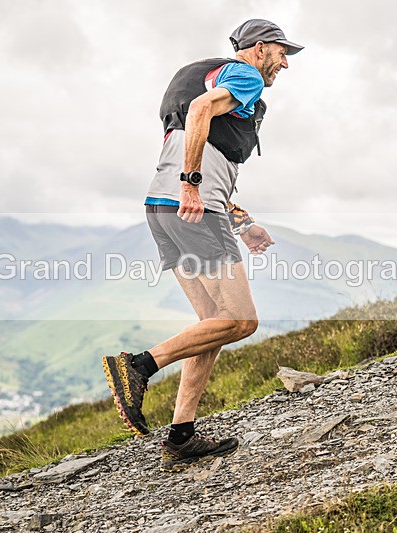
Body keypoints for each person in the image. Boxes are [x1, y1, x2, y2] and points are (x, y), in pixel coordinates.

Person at [103, 19, 303, 472]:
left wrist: (243, 221)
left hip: (161, 208)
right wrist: (192, 186)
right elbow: (199, 115)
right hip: (191, 206)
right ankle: (138, 366)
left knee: (213, 324)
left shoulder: (197, 73)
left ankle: (181, 434)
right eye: (281, 51)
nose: (285, 63)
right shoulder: (245, 75)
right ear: (258, 48)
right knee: (242, 320)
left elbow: (201, 147)